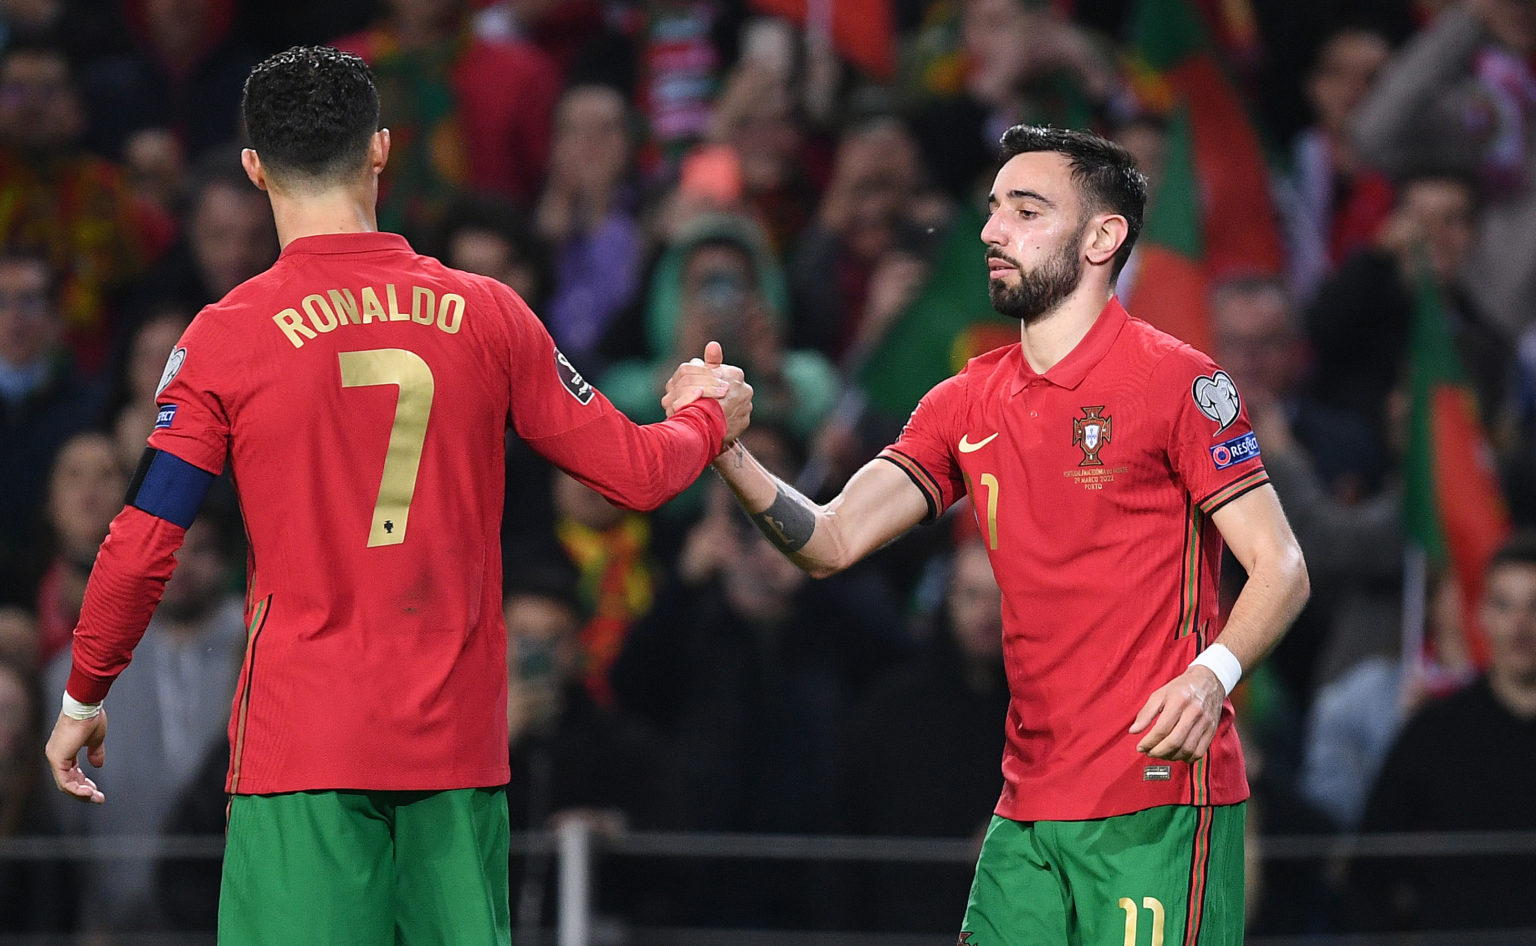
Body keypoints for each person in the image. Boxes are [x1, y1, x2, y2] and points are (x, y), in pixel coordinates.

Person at [42, 45, 751, 946]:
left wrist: (83, 696)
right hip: (457, 753)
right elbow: (643, 474)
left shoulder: (226, 337)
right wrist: (704, 415)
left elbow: (143, 541)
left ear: (255, 166)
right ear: (379, 150)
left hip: (300, 752)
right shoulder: (491, 314)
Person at [670, 124, 1310, 942]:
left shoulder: (1181, 383)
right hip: (1028, 812)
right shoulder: (963, 402)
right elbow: (828, 541)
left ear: (1102, 238)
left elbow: (1281, 565)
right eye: (994, 207)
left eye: (1027, 210)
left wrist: (1210, 677)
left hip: (1158, 804)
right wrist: (725, 451)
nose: (991, 230)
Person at [1346, 532, 1536, 932]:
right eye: (1505, 606)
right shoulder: (1433, 734)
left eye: (1535, 607)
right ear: (1481, 615)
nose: (1521, 625)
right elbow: (1370, 871)